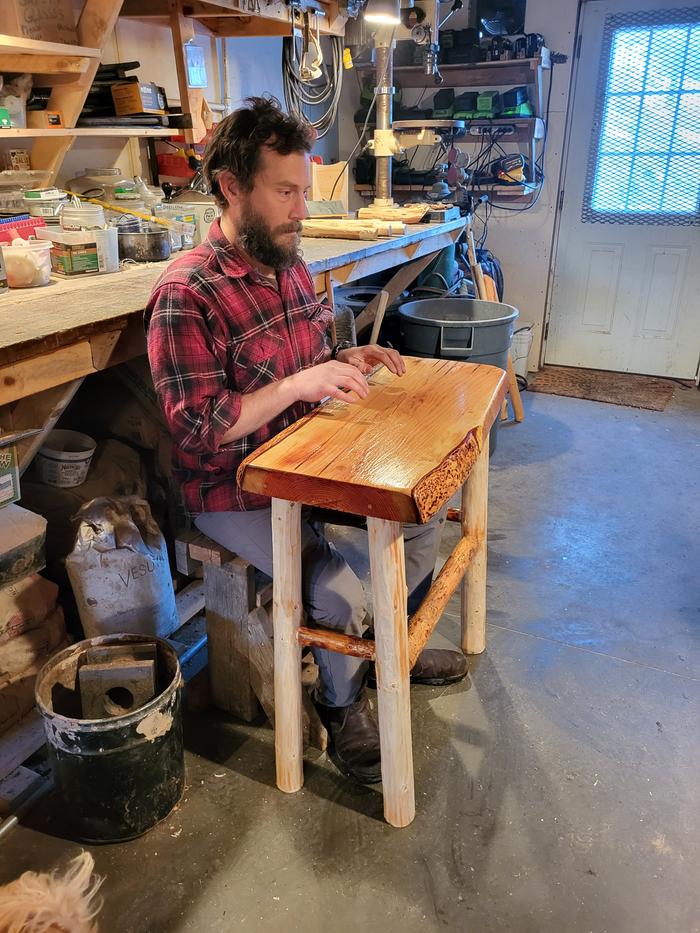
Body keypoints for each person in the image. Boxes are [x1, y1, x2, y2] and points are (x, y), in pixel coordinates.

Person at [146, 96, 467, 785]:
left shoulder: (286, 261)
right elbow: (198, 427)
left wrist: (343, 361)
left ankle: (389, 651)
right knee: (337, 582)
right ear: (232, 187)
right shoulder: (186, 293)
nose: (302, 209)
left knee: (422, 517)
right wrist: (298, 386)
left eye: (303, 188)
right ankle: (341, 700)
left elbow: (307, 355)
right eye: (286, 190)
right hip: (233, 486)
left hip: (306, 458)